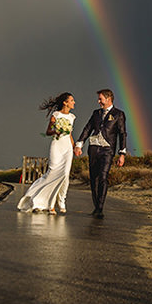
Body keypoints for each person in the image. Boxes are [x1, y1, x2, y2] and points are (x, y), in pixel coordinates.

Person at [17, 93, 76, 214]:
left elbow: (70, 135)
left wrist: (75, 147)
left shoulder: (72, 117)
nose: (74, 102)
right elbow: (48, 132)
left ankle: (59, 202)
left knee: (64, 174)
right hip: (57, 146)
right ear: (65, 102)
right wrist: (56, 131)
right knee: (52, 173)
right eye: (71, 100)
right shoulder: (56, 115)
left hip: (67, 148)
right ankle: (42, 201)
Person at [74, 89, 127, 219]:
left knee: (103, 176)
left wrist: (122, 153)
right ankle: (96, 205)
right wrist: (79, 144)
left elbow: (122, 134)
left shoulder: (119, 114)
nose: (98, 101)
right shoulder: (96, 113)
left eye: (100, 99)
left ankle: (100, 208)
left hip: (107, 150)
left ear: (108, 99)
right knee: (94, 178)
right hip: (93, 148)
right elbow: (88, 128)